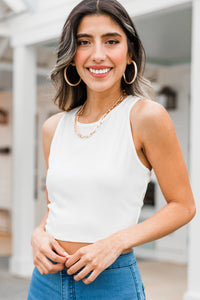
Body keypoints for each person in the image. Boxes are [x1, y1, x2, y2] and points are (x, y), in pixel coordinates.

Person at [27, 0, 196, 299]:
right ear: (72, 54)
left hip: (110, 282)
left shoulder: (147, 117)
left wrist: (114, 243)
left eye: (111, 41)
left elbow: (183, 206)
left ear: (129, 51)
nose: (98, 55)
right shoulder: (53, 128)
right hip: (45, 281)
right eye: (84, 42)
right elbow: (59, 208)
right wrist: (38, 235)